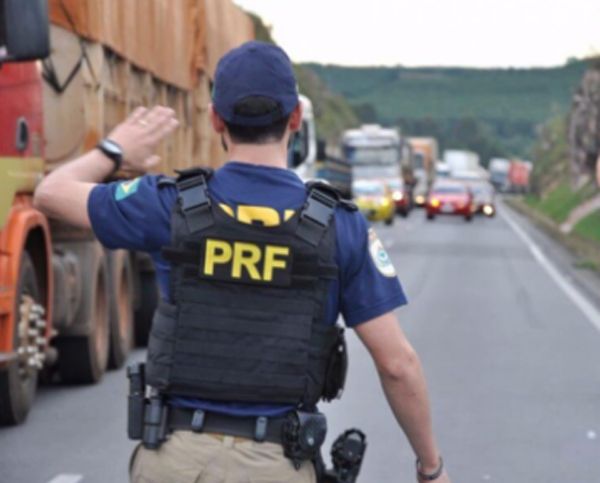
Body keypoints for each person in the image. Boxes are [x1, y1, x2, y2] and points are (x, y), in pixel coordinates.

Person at [34, 41, 451, 483]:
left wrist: (115, 151)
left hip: (175, 462)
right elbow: (397, 365)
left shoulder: (168, 205)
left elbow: (50, 193)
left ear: (216, 118)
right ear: (295, 119)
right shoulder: (339, 227)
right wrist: (430, 468)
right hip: (275, 465)